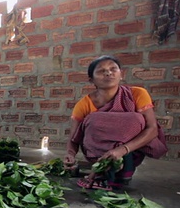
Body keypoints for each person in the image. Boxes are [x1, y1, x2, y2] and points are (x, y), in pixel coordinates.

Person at [63, 55, 168, 190]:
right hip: (98, 153)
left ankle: (123, 171)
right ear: (91, 80)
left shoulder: (137, 94)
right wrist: (70, 155)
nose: (108, 73)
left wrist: (122, 150)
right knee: (94, 120)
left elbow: (152, 129)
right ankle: (102, 173)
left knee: (136, 120)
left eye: (113, 69)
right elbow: (74, 138)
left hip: (131, 150)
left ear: (121, 74)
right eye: (101, 71)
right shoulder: (84, 104)